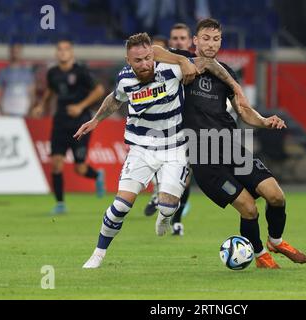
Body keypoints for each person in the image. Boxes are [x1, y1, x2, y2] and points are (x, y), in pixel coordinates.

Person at [77, 32, 245, 269]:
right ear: (128, 61)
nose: (145, 64)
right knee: (120, 207)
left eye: (148, 58)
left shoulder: (171, 69)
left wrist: (234, 86)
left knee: (168, 206)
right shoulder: (125, 79)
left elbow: (207, 62)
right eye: (138, 61)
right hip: (141, 148)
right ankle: (98, 254)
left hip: (175, 148)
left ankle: (165, 217)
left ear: (153, 54)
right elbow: (115, 98)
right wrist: (96, 120)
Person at [153, 18, 306, 269]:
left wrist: (264, 121)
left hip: (231, 148)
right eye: (206, 38)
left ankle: (275, 241)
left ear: (221, 42)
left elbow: (243, 111)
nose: (211, 44)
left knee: (276, 196)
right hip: (204, 158)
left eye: (216, 39)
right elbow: (153, 51)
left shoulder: (226, 72)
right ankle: (259, 255)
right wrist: (183, 60)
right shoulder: (182, 62)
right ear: (195, 40)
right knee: (249, 208)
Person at [31, 39, 106, 214]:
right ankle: (60, 204)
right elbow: (50, 90)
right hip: (60, 123)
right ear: (56, 53)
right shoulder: (52, 73)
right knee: (56, 163)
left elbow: (99, 90)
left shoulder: (81, 72)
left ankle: (97, 176)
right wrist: (42, 105)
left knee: (79, 168)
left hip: (80, 124)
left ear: (71, 52)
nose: (63, 52)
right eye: (60, 49)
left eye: (66, 49)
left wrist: (80, 106)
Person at [144, 23, 194, 237]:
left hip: (189, 127)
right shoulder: (161, 64)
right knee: (157, 165)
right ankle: (159, 193)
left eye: (182, 38)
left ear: (190, 41)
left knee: (186, 177)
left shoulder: (195, 63)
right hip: (162, 126)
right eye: (174, 38)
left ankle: (178, 220)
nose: (178, 42)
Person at [0, 43, 35, 117]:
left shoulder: (27, 72)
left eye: (17, 51)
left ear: (21, 52)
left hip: (23, 112)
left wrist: (29, 111)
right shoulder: (3, 72)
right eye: (14, 51)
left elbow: (32, 94)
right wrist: (2, 111)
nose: (15, 54)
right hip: (7, 112)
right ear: (10, 52)